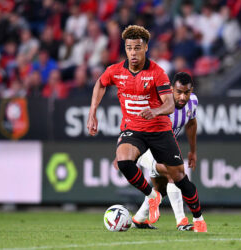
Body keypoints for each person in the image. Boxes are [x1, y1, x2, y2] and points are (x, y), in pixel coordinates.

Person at [87, 25, 207, 232]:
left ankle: (198, 219)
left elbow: (169, 104)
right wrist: (92, 113)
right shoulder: (115, 71)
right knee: (124, 160)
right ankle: (152, 197)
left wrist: (156, 111)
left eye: (137, 48)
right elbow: (100, 83)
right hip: (133, 129)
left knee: (178, 177)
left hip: (159, 130)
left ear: (146, 48)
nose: (133, 53)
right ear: (125, 49)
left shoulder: (157, 73)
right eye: (129, 48)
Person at [132, 72, 198, 231]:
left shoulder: (193, 102)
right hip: (144, 148)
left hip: (162, 150)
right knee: (173, 173)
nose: (182, 97)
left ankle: (139, 219)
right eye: (179, 92)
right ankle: (181, 221)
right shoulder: (157, 104)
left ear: (191, 91)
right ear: (171, 90)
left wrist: (192, 151)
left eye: (186, 92)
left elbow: (191, 123)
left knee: (161, 189)